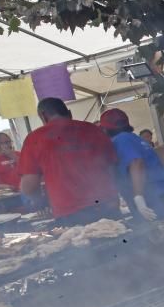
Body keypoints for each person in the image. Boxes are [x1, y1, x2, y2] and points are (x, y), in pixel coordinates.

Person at [19, 97, 120, 226]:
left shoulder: (35, 138)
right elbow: (113, 168)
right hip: (108, 204)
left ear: (43, 116)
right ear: (69, 112)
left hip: (71, 212)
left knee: (86, 244)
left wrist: (41, 202)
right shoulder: (93, 129)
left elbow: (29, 187)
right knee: (120, 241)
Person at [98, 108, 164, 221]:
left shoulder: (122, 139)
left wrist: (138, 197)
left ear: (105, 129)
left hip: (156, 199)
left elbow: (136, 162)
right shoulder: (133, 138)